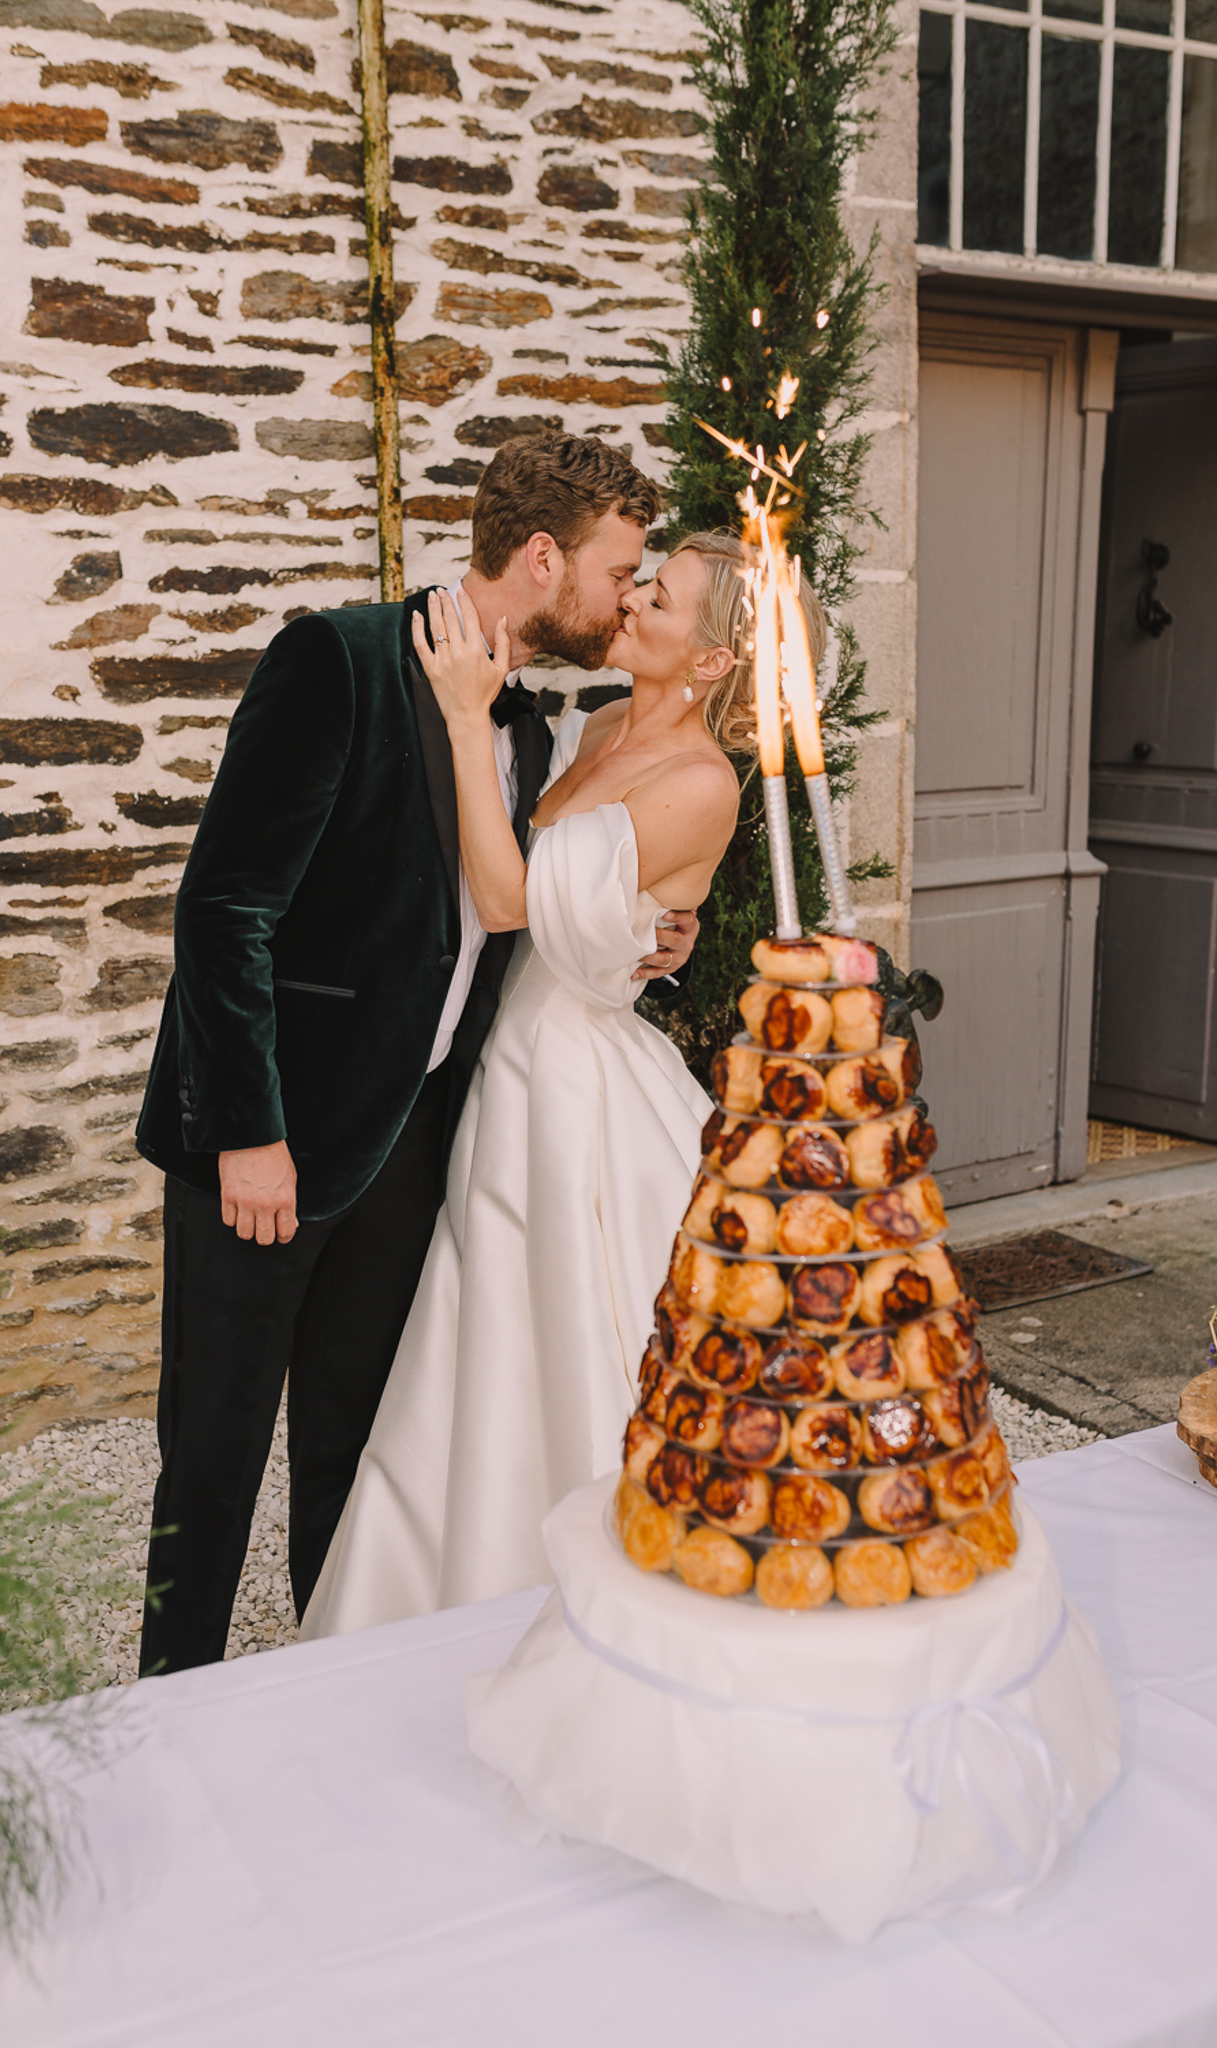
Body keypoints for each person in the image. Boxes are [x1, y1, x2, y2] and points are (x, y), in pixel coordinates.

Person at [133, 432, 698, 1675]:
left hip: (410, 1150)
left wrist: (645, 930)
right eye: (617, 569)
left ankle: (325, 1700)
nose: (622, 598)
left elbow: (513, 922)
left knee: (352, 1453)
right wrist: (248, 1131)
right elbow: (224, 910)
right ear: (544, 557)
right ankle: (161, 1713)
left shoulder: (536, 739)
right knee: (213, 1458)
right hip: (268, 1146)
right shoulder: (335, 660)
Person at [300, 532, 828, 1635]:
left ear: (715, 660)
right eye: (642, 580)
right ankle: (454, 1591)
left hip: (577, 1091)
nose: (632, 600)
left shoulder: (700, 783)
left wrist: (458, 712)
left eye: (663, 597)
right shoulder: (589, 724)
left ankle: (608, 1605)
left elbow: (506, 899)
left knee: (581, 1334)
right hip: (510, 1062)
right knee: (484, 1333)